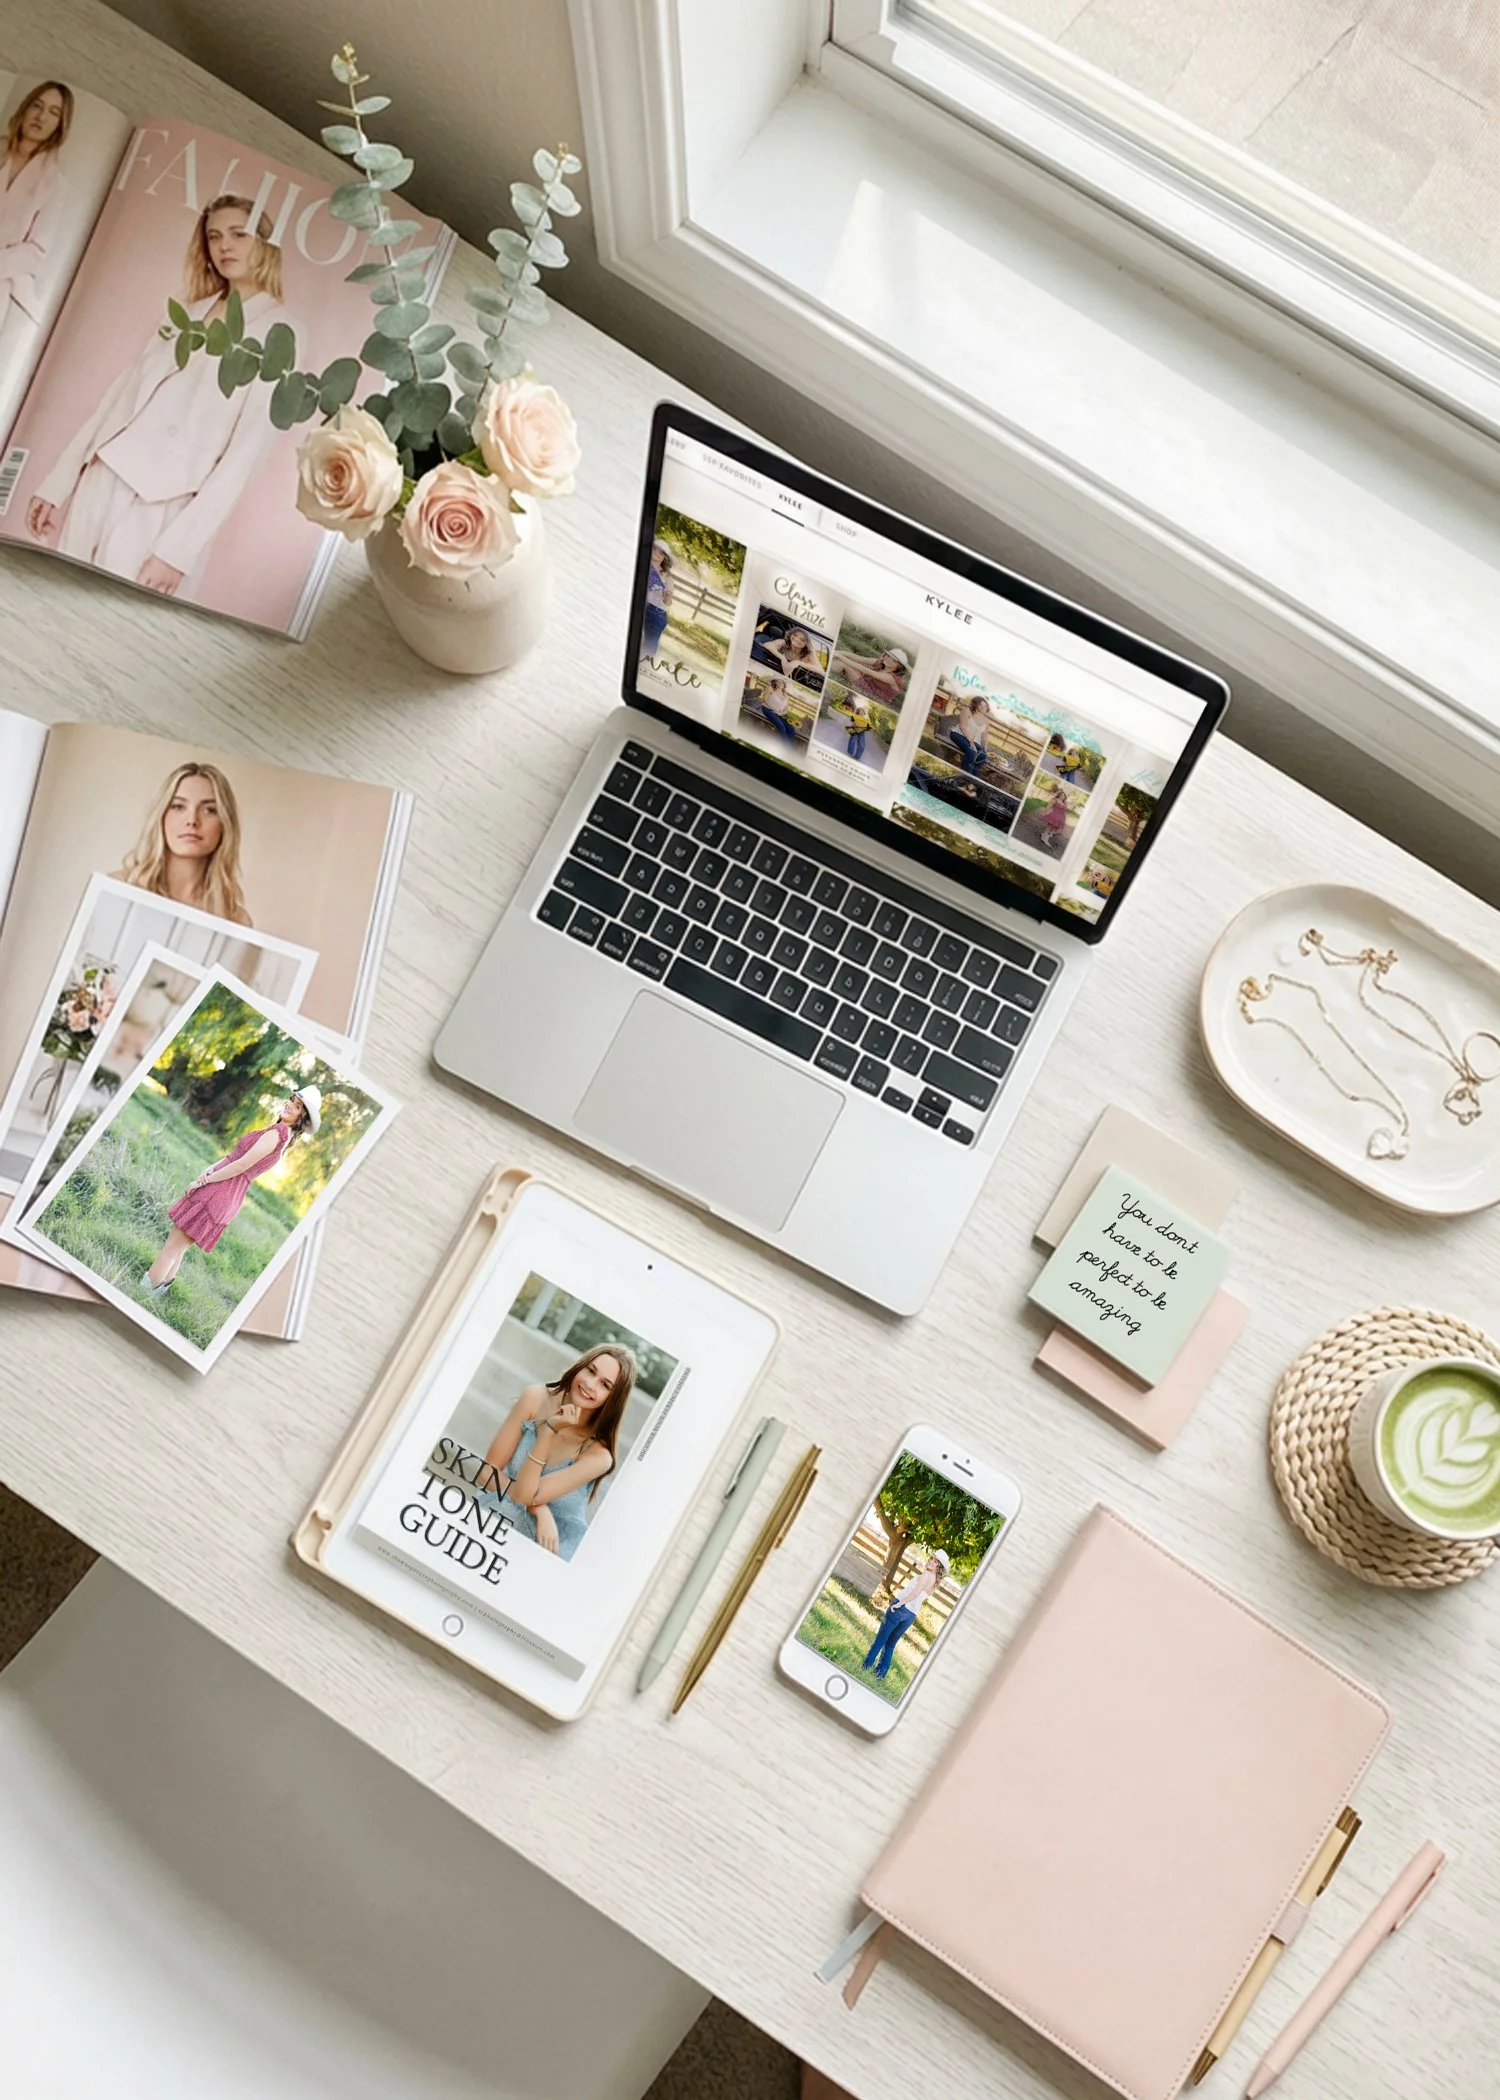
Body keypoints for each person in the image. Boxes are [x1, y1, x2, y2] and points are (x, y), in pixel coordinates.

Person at [27, 193, 295, 599]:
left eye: (239, 234)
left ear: (265, 243)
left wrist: (178, 551)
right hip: (103, 476)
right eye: (214, 236)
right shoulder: (186, 310)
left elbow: (246, 453)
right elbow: (120, 397)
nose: (224, 245)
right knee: (52, 596)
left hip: (165, 505)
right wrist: (58, 483)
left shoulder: (283, 332)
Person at [142, 1087, 319, 1298]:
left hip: (221, 1190)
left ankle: (141, 1293)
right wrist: (213, 1166)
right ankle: (157, 1294)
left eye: (298, 1106)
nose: (290, 1104)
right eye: (292, 1100)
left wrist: (203, 1181)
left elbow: (240, 1166)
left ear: (302, 1118)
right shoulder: (283, 1136)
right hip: (229, 1193)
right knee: (179, 1247)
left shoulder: (277, 1134)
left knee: (173, 1245)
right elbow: (235, 1157)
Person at [475, 1343, 638, 1562]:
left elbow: (525, 1496)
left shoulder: (599, 1456)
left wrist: (549, 1430)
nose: (590, 1384)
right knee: (504, 1513)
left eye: (605, 1384)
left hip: (554, 1547)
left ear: (613, 1399)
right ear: (580, 1367)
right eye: (590, 1370)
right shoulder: (536, 1398)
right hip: (504, 1513)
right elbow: (487, 1472)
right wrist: (539, 1509)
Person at [112, 760, 252, 925]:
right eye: (178, 807)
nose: (192, 820)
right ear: (161, 815)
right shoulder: (117, 888)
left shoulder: (236, 919)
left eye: (209, 810)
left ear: (225, 824)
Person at [0, 82, 72, 398]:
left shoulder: (55, 184)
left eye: (53, 112)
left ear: (60, 125)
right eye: (37, 106)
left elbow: (36, 251)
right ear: (26, 107)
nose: (41, 116)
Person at [862, 1549, 949, 1680]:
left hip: (901, 1607)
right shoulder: (935, 1581)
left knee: (880, 1640)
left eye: (935, 1561)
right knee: (890, 1645)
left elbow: (916, 1592)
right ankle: (879, 1676)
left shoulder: (926, 1574)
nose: (931, 1561)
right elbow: (921, 1596)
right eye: (932, 1559)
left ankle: (864, 1668)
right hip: (911, 1615)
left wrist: (899, 1604)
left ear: (939, 1566)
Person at [828, 643, 909, 701]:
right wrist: (837, 652)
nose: (889, 659)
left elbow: (865, 670)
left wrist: (841, 657)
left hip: (873, 695)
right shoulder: (881, 663)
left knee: (845, 664)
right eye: (888, 656)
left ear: (899, 666)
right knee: (846, 663)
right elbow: (859, 658)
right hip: (867, 683)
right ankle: (827, 661)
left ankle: (826, 665)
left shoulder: (892, 678)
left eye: (894, 661)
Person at [641, 539, 672, 659]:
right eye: (655, 548)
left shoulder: (667, 576)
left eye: (662, 552)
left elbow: (668, 602)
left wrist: (667, 596)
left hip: (656, 613)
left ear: (665, 557)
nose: (657, 553)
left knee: (648, 650)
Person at [946, 693, 991, 774]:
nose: (983, 707)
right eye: (980, 705)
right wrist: (971, 742)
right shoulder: (966, 711)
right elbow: (962, 727)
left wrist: (985, 751)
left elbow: (984, 737)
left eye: (985, 706)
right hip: (958, 734)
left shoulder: (986, 721)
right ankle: (963, 777)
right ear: (975, 704)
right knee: (972, 752)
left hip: (973, 741)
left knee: (982, 756)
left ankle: (971, 780)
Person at [749, 673, 799, 744]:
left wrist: (782, 713)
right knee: (782, 727)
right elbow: (765, 699)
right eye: (778, 681)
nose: (780, 683)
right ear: (775, 682)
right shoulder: (770, 688)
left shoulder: (786, 695)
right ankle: (785, 746)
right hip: (768, 709)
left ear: (784, 684)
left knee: (792, 729)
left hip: (779, 714)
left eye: (782, 682)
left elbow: (787, 709)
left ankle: (788, 746)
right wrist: (772, 708)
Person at [841, 695, 873, 762]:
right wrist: (853, 726)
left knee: (862, 745)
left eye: (862, 711)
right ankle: (850, 753)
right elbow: (852, 722)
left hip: (862, 731)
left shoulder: (866, 719)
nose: (861, 712)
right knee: (852, 741)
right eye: (859, 711)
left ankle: (857, 757)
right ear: (858, 712)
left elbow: (869, 728)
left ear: (864, 712)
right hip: (855, 728)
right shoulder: (855, 716)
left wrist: (867, 728)